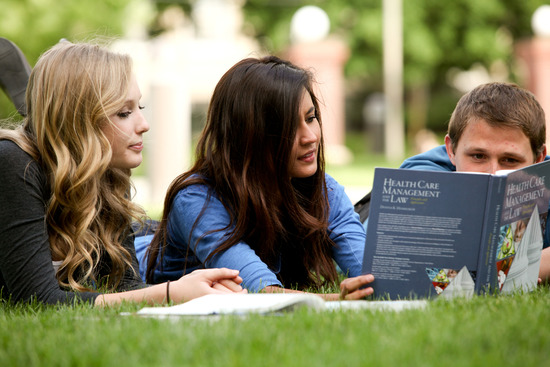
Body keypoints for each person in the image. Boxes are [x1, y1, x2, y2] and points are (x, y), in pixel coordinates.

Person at [0, 40, 246, 306]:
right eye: (124, 112)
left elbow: (125, 286)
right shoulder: (14, 163)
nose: (144, 125)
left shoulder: (108, 172)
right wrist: (170, 292)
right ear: (79, 119)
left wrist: (197, 287)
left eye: (139, 108)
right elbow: (36, 299)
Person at [144, 56, 374, 300]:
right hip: (144, 248)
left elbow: (373, 274)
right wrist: (337, 299)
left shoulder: (323, 190)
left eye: (310, 118)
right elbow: (258, 291)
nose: (310, 137)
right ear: (250, 136)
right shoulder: (196, 200)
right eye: (289, 128)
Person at [397, 82, 550, 283]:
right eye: (478, 156)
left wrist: (532, 267)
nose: (493, 173)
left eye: (510, 160)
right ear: (451, 150)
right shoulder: (422, 178)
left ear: (539, 159)